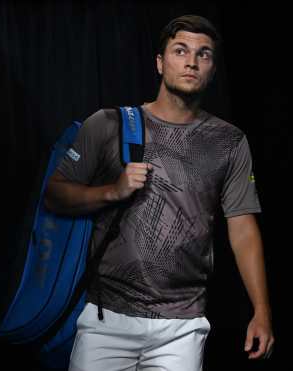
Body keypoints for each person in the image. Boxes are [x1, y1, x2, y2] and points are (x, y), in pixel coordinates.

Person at [44, 14, 274, 371]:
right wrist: (112, 191)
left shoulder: (229, 142)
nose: (192, 62)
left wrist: (261, 311)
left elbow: (242, 229)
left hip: (182, 324)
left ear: (212, 69)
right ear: (159, 62)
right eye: (180, 50)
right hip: (108, 318)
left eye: (204, 54)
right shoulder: (108, 124)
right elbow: (54, 194)